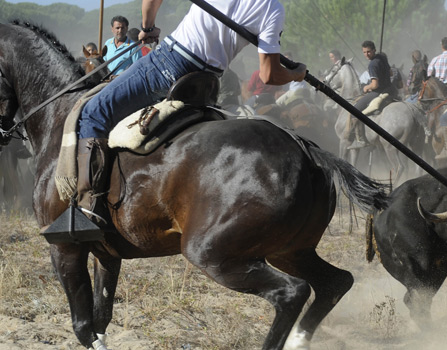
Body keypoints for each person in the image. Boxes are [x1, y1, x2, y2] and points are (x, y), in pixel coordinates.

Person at [76, 0, 307, 229]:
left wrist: (148, 27)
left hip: (169, 65)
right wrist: (295, 74)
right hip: (205, 83)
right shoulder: (273, 9)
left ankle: (88, 208)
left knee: (93, 112)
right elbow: (270, 74)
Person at [348, 40, 396, 149]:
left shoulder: (372, 65)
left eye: (369, 52)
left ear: (374, 50)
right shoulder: (382, 57)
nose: (366, 54)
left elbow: (374, 85)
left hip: (378, 92)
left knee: (354, 111)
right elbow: (391, 73)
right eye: (364, 52)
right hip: (391, 90)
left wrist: (366, 87)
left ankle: (360, 140)